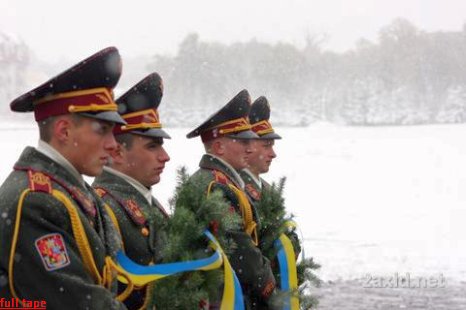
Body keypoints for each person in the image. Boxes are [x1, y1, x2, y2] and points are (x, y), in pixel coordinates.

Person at [0, 47, 128, 309]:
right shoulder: (35, 200)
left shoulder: (71, 189)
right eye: (103, 130)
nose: (114, 144)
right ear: (64, 131)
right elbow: (78, 302)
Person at [186, 90, 277, 309]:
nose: (249, 148)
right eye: (242, 141)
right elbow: (239, 250)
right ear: (219, 147)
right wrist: (271, 288)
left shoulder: (222, 180)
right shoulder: (214, 185)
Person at [93, 72, 171, 309]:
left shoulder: (144, 199)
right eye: (152, 146)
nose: (165, 157)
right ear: (117, 153)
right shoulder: (104, 206)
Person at [240, 96, 302, 286]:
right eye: (266, 146)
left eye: (272, 146)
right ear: (247, 146)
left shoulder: (265, 188)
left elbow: (289, 240)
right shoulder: (235, 187)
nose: (273, 154)